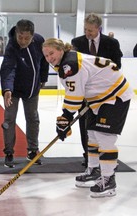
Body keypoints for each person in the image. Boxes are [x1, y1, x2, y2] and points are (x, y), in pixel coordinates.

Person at [42, 38, 133, 198]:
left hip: (114, 96)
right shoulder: (67, 60)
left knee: (104, 138)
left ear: (61, 49)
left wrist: (65, 118)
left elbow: (74, 95)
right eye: (46, 55)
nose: (49, 58)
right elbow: (78, 90)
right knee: (91, 134)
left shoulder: (70, 64)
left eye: (51, 53)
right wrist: (66, 119)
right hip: (97, 98)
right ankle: (94, 170)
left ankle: (108, 179)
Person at [71, 13, 123, 167]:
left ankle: (104, 155)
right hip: (85, 92)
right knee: (85, 125)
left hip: (105, 93)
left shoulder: (112, 43)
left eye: (91, 31)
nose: (88, 33)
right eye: (86, 29)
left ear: (99, 29)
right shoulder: (77, 42)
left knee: (103, 126)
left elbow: (117, 66)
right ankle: (88, 156)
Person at [0, 19, 49, 168]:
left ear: (33, 36)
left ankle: (33, 151)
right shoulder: (12, 47)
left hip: (32, 89)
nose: (22, 41)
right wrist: (7, 89)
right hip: (13, 90)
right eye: (20, 37)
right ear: (16, 33)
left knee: (33, 119)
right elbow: (8, 69)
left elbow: (45, 61)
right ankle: (9, 152)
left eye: (26, 38)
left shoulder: (40, 41)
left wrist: (43, 78)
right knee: (9, 120)